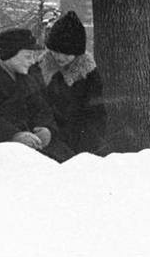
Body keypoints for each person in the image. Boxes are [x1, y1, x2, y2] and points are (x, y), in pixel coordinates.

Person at [0, 28, 75, 163]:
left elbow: (42, 109)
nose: (32, 61)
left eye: (33, 56)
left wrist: (47, 130)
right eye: (28, 56)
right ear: (9, 55)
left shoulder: (27, 79)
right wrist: (13, 135)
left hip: (30, 142)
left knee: (72, 163)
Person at [30, 11, 109, 156]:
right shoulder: (38, 69)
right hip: (44, 140)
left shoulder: (89, 76)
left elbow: (95, 117)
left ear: (77, 53)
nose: (60, 57)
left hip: (79, 144)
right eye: (56, 52)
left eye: (66, 54)